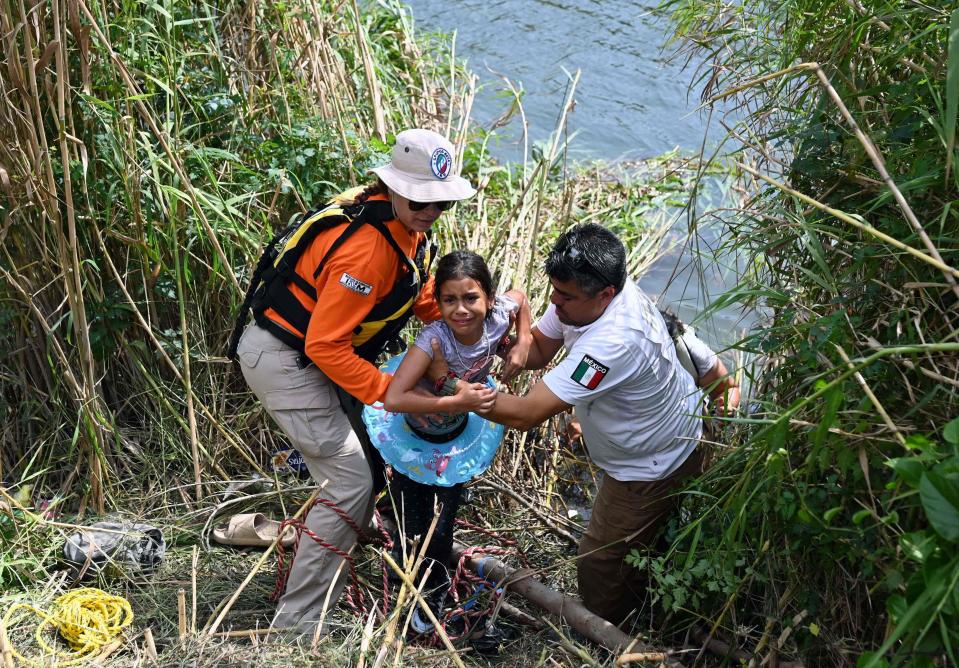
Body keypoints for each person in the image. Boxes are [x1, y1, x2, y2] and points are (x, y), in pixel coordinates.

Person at [231, 128, 482, 635]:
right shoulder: (367, 250)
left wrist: (472, 320)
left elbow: (412, 297)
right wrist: (392, 395)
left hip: (315, 354)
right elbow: (326, 344)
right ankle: (298, 624)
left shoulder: (406, 229)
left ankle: (344, 543)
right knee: (350, 479)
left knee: (367, 464)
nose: (430, 211)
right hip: (286, 357)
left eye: (441, 204)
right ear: (391, 188)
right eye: (420, 201)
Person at [433, 222, 708, 627]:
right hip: (654, 428)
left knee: (599, 563)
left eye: (564, 298)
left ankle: (609, 633)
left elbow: (527, 414)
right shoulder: (586, 294)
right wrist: (497, 338)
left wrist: (450, 386)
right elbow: (541, 349)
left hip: (652, 462)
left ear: (605, 295)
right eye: (553, 292)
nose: (554, 302)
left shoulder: (616, 340)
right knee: (641, 544)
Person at [370, 250, 530, 635]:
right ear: (437, 301)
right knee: (417, 525)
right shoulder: (432, 340)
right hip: (417, 436)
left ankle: (431, 591)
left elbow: (521, 296)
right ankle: (412, 599)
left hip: (455, 439)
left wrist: (523, 340)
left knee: (443, 522)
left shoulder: (496, 321)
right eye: (449, 300)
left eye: (471, 298)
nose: (461, 309)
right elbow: (393, 398)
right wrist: (458, 400)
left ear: (489, 299)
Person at [565, 309, 741, 444]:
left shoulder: (691, 352)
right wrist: (581, 421)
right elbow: (580, 390)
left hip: (679, 424)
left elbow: (729, 389)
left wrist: (725, 406)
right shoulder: (609, 351)